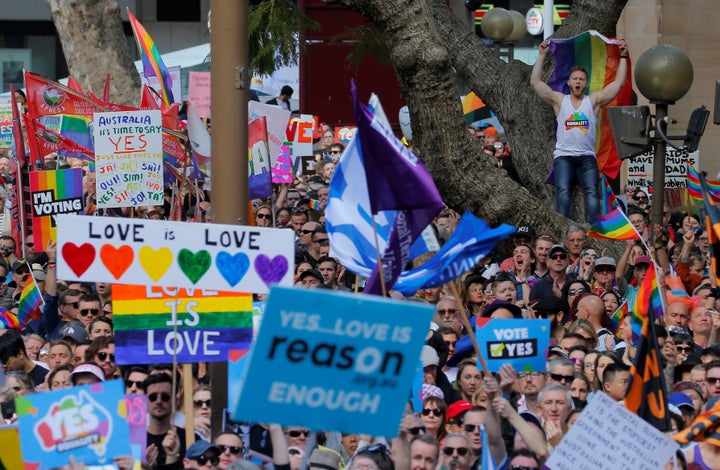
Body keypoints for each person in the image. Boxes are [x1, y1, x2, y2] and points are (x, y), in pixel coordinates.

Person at [531, 38, 628, 223]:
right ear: (568, 82)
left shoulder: (593, 101)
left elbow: (618, 84)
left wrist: (623, 55)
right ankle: (564, 225)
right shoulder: (559, 100)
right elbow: (535, 83)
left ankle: (591, 227)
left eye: (581, 79)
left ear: (586, 84)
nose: (578, 81)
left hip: (587, 157)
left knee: (592, 192)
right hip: (563, 156)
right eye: (575, 78)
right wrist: (542, 55)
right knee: (562, 191)